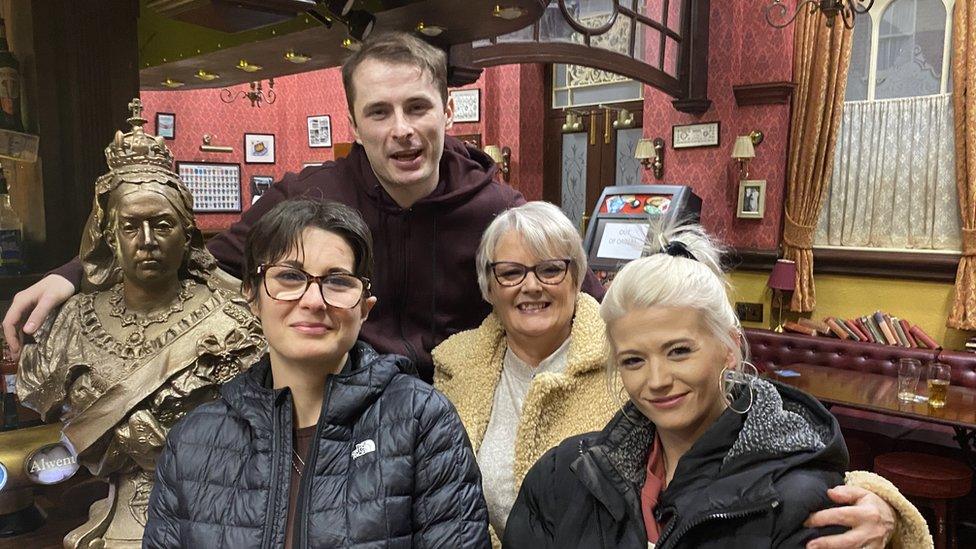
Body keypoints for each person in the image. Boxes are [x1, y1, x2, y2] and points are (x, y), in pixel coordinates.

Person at [3, 31, 603, 381]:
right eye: (379, 112)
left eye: (418, 107)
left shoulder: (499, 210)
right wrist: (73, 276)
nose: (402, 130)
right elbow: (202, 263)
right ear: (354, 122)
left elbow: (579, 297)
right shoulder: (311, 196)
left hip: (460, 419)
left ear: (448, 110)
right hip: (333, 419)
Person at [436, 203, 929, 549]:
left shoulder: (616, 345)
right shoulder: (458, 368)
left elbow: (795, 462)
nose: (657, 379)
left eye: (549, 268)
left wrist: (883, 506)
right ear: (488, 284)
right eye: (511, 272)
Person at [143, 198, 489, 548]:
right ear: (251, 295)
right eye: (290, 277)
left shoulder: (422, 421)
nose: (313, 300)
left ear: (365, 308)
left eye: (338, 281)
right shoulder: (192, 441)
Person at [17, 105, 265, 547]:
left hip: (216, 517)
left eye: (163, 224)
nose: (147, 242)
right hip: (110, 522)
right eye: (131, 226)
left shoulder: (236, 321)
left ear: (188, 235)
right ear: (109, 236)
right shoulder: (69, 324)